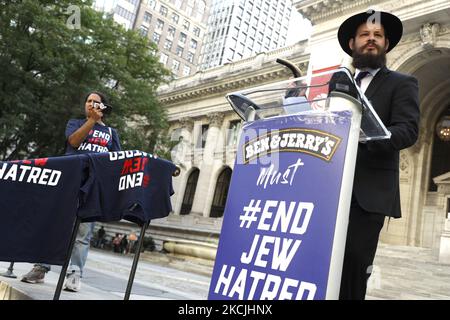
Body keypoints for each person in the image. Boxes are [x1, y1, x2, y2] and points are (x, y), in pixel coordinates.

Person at [336, 10, 420, 299]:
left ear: (386, 44)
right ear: (352, 44)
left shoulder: (402, 82)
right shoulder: (337, 84)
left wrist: (372, 136)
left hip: (368, 193)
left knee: (353, 264)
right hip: (329, 188)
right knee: (322, 260)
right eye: (364, 35)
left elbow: (408, 131)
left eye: (377, 36)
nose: (371, 40)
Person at [21, 91, 121, 292]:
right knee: (55, 226)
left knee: (83, 233)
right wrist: (91, 121)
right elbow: (74, 142)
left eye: (96, 102)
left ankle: (75, 274)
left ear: (104, 108)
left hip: (92, 187)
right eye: (88, 101)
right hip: (70, 181)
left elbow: (116, 161)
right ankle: (41, 267)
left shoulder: (112, 133)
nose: (91, 104)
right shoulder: (75, 124)